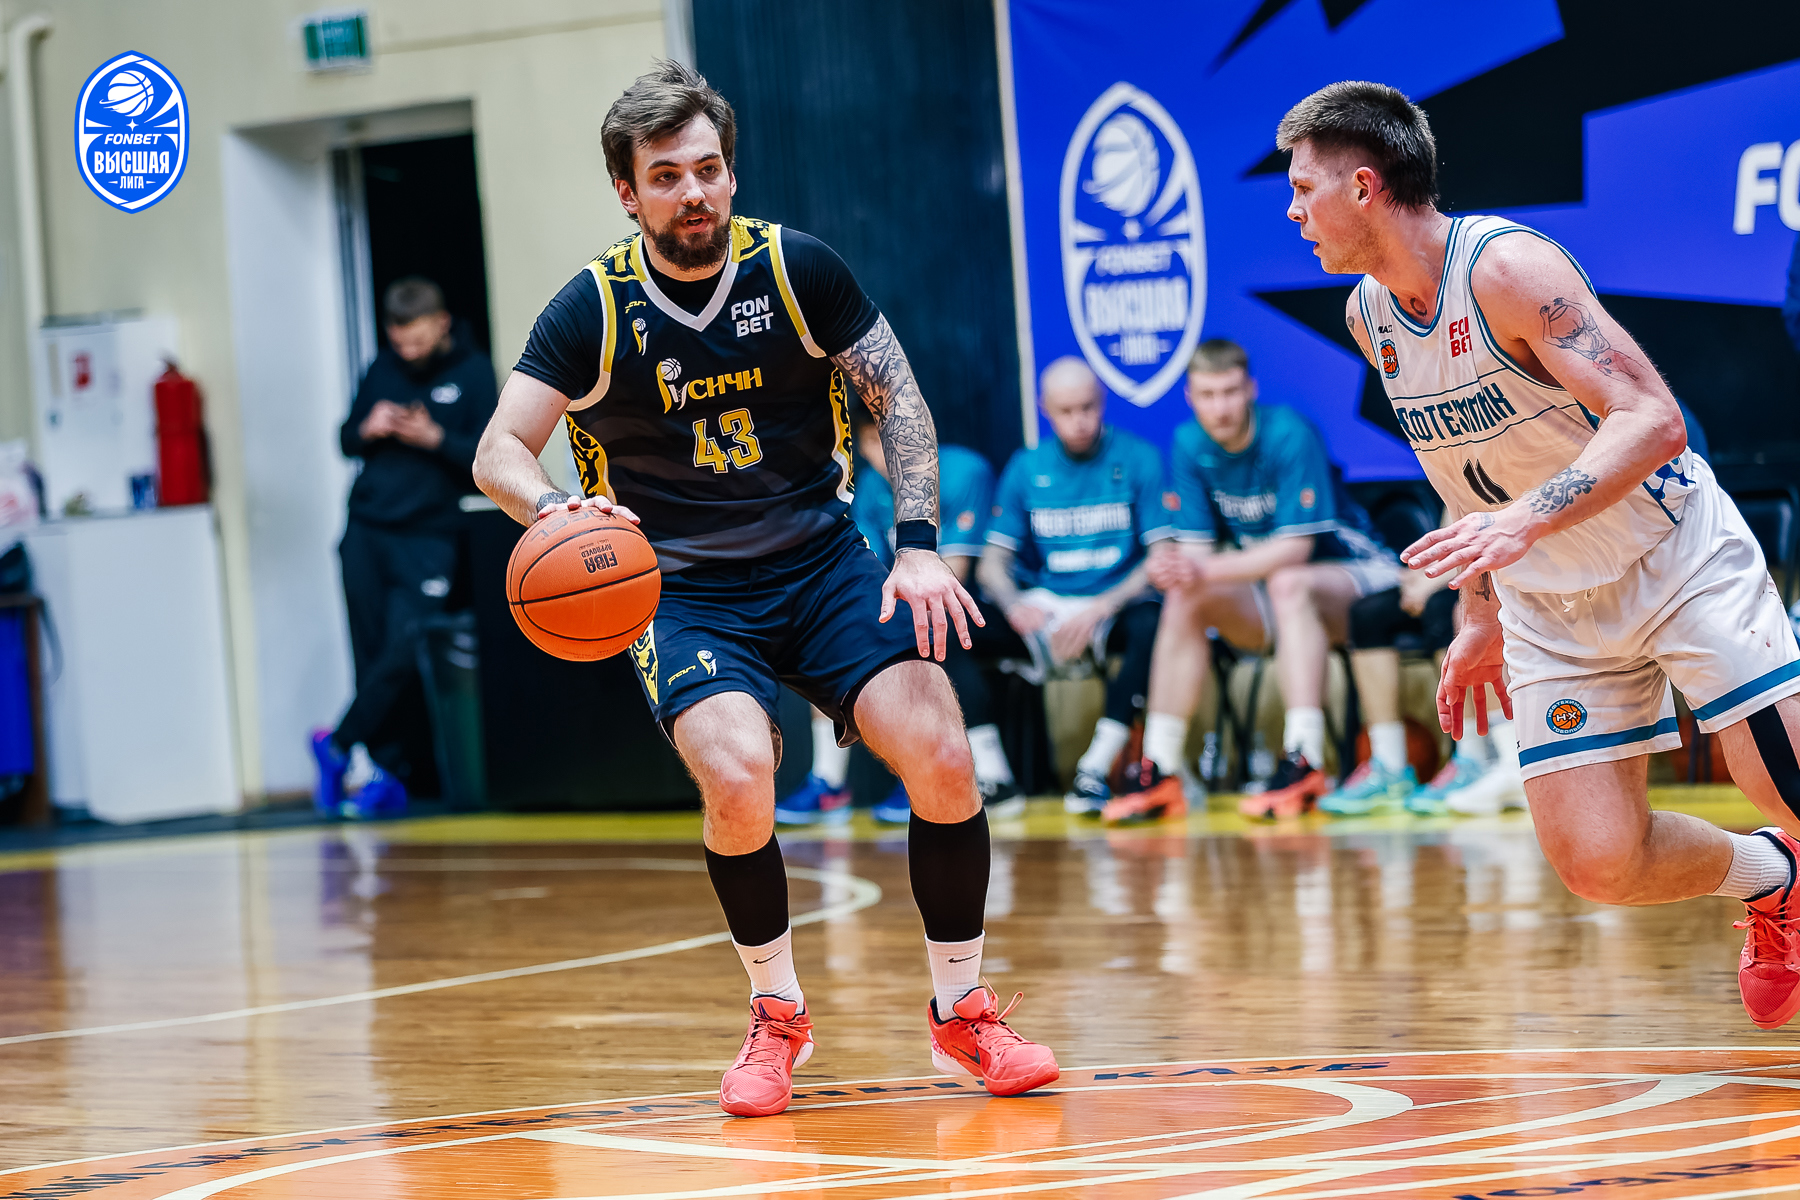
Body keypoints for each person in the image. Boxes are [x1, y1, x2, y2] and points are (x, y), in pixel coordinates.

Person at [473, 61, 1057, 1116]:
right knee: (740, 773)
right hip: (681, 589)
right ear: (628, 193)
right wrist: (554, 509)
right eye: (666, 176)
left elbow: (899, 400)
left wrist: (917, 545)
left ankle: (962, 1011)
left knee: (940, 746)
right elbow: (498, 451)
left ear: (731, 173)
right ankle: (777, 1014)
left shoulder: (796, 270)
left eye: (707, 169)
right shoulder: (593, 308)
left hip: (822, 562)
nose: (692, 191)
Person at [1281, 79, 1800, 1030]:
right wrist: (1480, 612)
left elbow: (1654, 418)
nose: (1293, 210)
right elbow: (1458, 468)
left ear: (1362, 187)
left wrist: (1527, 519)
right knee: (1600, 860)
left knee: (1785, 781)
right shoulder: (1369, 314)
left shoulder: (1507, 269)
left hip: (1671, 558)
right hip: (1548, 603)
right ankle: (1776, 878)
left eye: (1303, 188)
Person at [1107, 340, 1400, 824]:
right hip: (1276, 596)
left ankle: (1304, 757)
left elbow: (1295, 549)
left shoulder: (1289, 433)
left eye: (1229, 392)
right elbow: (1197, 557)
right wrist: (1176, 570)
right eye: (1208, 395)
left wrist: (1199, 569)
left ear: (1250, 390)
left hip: (1359, 575)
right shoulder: (1188, 443)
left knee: (1289, 581)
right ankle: (1161, 767)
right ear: (1190, 397)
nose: (1220, 408)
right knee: (1186, 595)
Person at [310, 277, 497, 819]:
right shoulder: (381, 368)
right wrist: (368, 427)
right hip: (366, 531)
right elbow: (345, 439)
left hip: (430, 536)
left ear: (441, 324)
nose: (408, 353)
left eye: (417, 341)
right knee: (370, 653)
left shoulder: (473, 372)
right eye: (399, 343)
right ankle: (384, 776)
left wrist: (434, 438)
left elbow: (490, 458)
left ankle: (337, 742)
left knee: (402, 650)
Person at [978, 358, 1174, 815]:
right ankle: (992, 776)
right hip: (1046, 608)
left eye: (1088, 407)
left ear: (1102, 403)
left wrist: (1103, 606)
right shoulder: (1026, 467)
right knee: (949, 631)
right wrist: (1013, 605)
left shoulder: (1140, 457)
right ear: (1044, 409)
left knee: (1154, 623)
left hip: (1113, 604)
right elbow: (991, 565)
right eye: (1066, 411)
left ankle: (1096, 769)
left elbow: (1161, 556)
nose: (1079, 421)